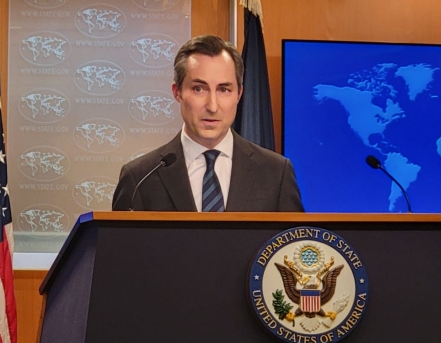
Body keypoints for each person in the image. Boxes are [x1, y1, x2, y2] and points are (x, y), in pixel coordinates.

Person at [112, 34, 303, 212]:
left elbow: (293, 246)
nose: (212, 106)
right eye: (198, 89)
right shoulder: (140, 178)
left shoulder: (276, 173)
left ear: (239, 94)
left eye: (224, 90)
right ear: (177, 92)